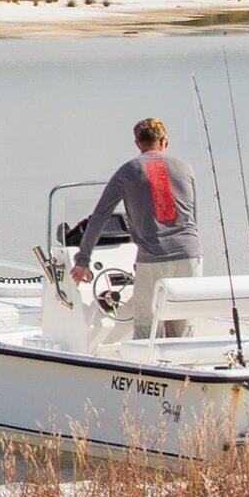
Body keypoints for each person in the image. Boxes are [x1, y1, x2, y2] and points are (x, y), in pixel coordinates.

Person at [64, 116, 201, 338]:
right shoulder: (185, 168)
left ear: (137, 143)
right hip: (190, 254)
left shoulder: (128, 171)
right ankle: (182, 370)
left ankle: (143, 370)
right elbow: (193, 217)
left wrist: (83, 260)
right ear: (164, 141)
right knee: (182, 321)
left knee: (147, 321)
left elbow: (99, 216)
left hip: (154, 256)